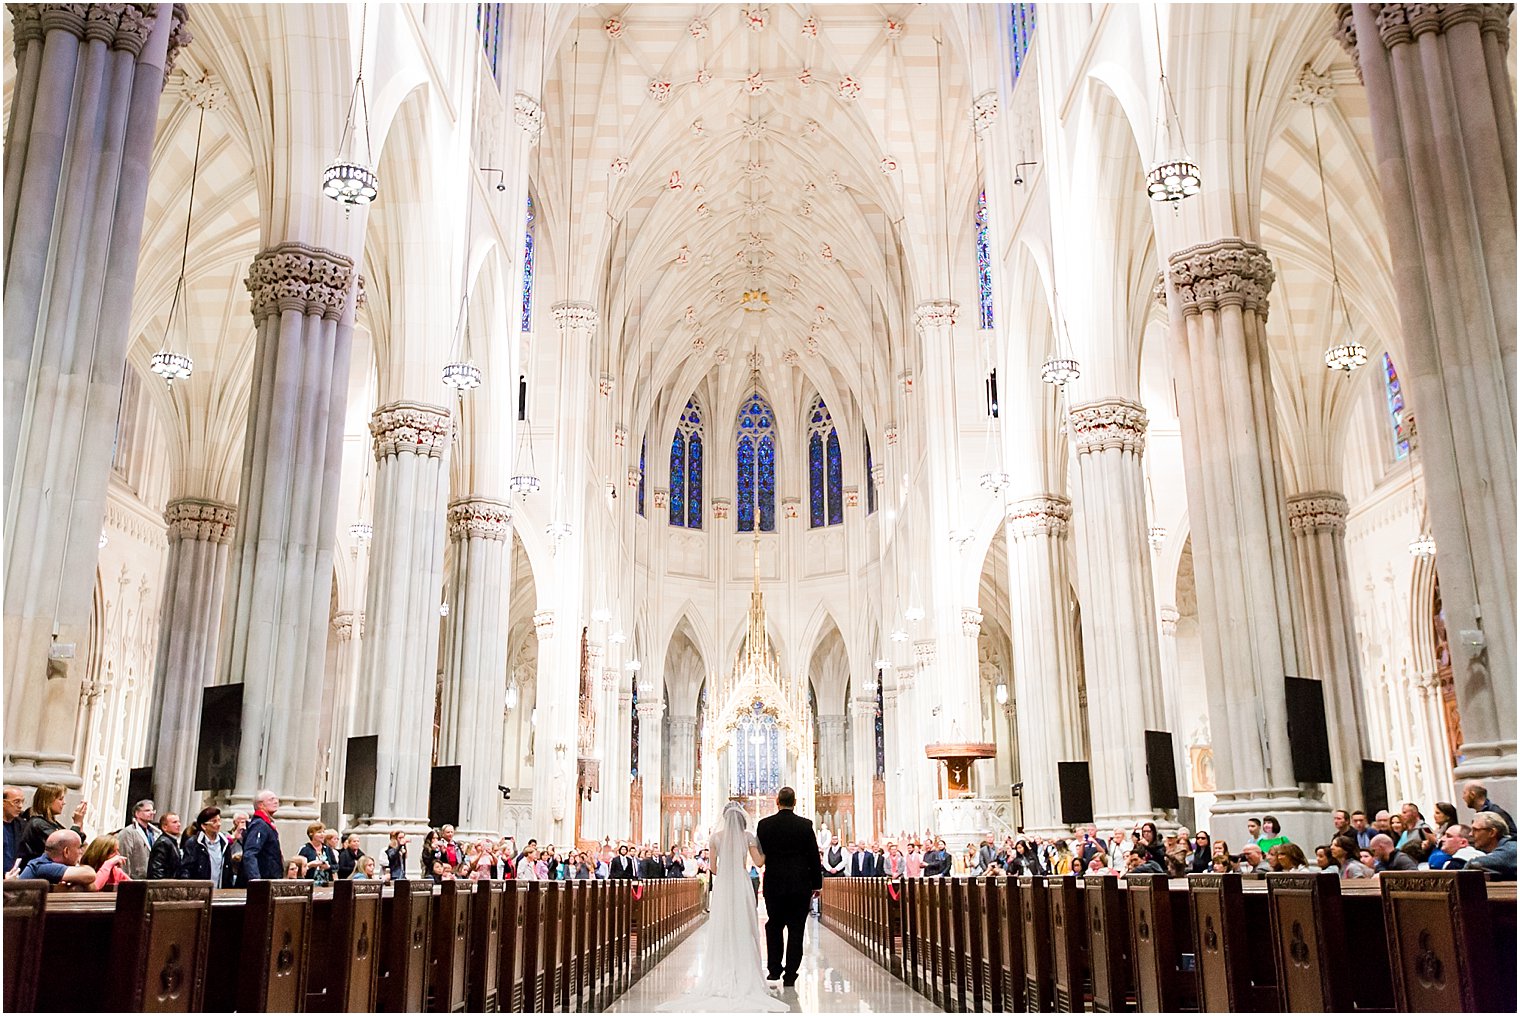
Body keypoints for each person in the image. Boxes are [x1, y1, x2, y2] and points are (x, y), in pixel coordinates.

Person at [755, 787, 824, 989]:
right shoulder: (805, 826)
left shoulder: (764, 825)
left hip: (774, 883)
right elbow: (813, 856)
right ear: (795, 803)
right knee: (796, 929)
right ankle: (791, 974)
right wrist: (816, 884)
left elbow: (762, 853)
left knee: (774, 925)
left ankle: (774, 969)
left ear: (777, 802)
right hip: (799, 884)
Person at [19, 784, 88, 868]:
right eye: (60, 799)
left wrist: (80, 822)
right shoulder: (38, 824)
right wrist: (77, 823)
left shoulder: (51, 823)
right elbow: (66, 848)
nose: (64, 803)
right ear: (48, 801)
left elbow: (77, 843)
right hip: (38, 872)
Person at [179, 807, 236, 887]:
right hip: (200, 889)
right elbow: (186, 868)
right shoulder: (194, 843)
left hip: (220, 889)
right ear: (204, 826)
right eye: (214, 821)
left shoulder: (224, 843)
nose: (218, 824)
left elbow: (228, 870)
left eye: (219, 820)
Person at [19, 829, 95, 887]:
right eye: (78, 848)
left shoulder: (42, 863)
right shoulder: (42, 866)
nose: (80, 852)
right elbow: (90, 874)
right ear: (66, 852)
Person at [241, 790, 283, 880]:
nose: (276, 802)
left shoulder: (266, 824)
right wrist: (256, 880)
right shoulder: (259, 825)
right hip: (263, 880)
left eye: (276, 799)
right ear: (260, 805)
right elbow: (250, 853)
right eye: (271, 800)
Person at [115, 798, 158, 880]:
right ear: (137, 813)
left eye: (152, 810)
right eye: (147, 810)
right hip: (134, 878)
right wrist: (125, 878)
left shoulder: (154, 832)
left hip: (149, 877)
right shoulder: (128, 832)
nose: (151, 813)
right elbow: (124, 855)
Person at [1467, 812, 1517, 880]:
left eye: (1475, 830)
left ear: (1492, 832)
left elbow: (1474, 864)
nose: (1470, 834)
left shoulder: (1511, 849)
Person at [146, 813, 184, 879]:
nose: (178, 825)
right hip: (164, 885)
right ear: (164, 827)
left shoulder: (172, 842)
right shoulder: (163, 843)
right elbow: (157, 869)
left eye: (179, 822)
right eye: (174, 822)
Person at [4, 785, 27, 875]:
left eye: (22, 802)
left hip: (14, 876)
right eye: (16, 802)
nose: (20, 806)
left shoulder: (21, 825)